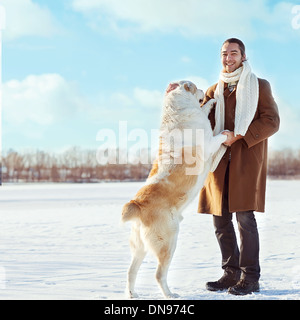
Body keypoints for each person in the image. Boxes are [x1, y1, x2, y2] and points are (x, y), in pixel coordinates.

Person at [198, 38, 280, 295]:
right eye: (224, 53)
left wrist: (241, 134)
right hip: (218, 163)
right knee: (220, 221)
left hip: (246, 160)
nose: (228, 57)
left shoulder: (259, 86)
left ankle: (250, 277)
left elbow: (271, 121)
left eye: (233, 53)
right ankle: (230, 273)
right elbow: (199, 120)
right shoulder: (214, 91)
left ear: (243, 57)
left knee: (245, 219)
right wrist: (178, 94)